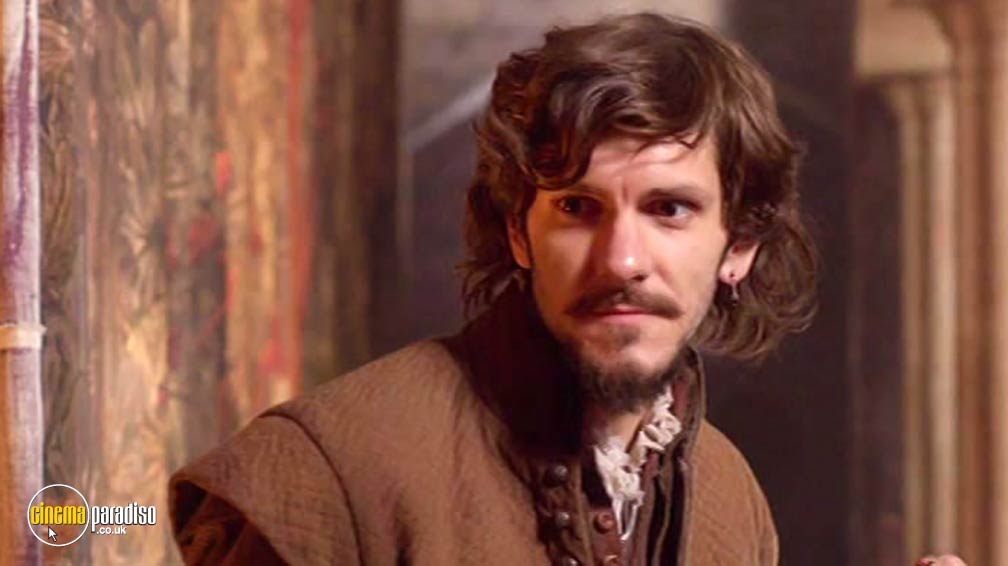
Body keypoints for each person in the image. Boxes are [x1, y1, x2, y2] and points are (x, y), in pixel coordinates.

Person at [168, 13, 901, 565]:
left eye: (669, 209)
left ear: (738, 246)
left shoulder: (731, 499)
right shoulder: (327, 473)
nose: (622, 260)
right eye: (578, 208)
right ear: (519, 231)